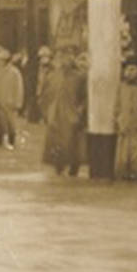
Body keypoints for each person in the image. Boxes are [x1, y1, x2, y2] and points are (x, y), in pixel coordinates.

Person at [42, 44, 87, 177]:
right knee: (56, 142)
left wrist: (80, 111)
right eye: (62, 56)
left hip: (71, 114)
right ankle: (58, 166)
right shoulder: (53, 75)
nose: (65, 59)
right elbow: (45, 94)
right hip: (54, 114)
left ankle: (74, 167)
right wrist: (46, 111)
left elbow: (85, 97)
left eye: (69, 56)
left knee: (72, 142)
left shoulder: (80, 76)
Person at [0, 46, 24, 150]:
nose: (0, 62)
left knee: (11, 124)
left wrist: (18, 102)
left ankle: (11, 142)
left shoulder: (14, 72)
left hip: (10, 102)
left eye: (2, 60)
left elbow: (19, 88)